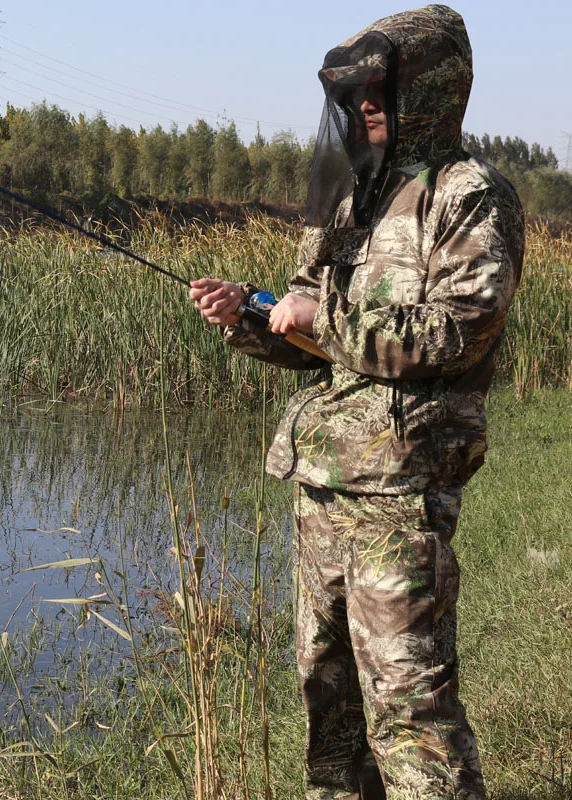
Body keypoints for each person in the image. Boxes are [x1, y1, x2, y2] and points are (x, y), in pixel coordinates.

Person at [190, 5, 524, 799]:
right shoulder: (355, 197)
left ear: (431, 87)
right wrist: (249, 315)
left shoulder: (471, 195)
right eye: (354, 93)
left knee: (411, 714)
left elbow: (459, 332)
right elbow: (311, 334)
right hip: (321, 486)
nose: (363, 105)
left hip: (400, 496)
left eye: (379, 88)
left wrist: (325, 317)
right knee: (328, 705)